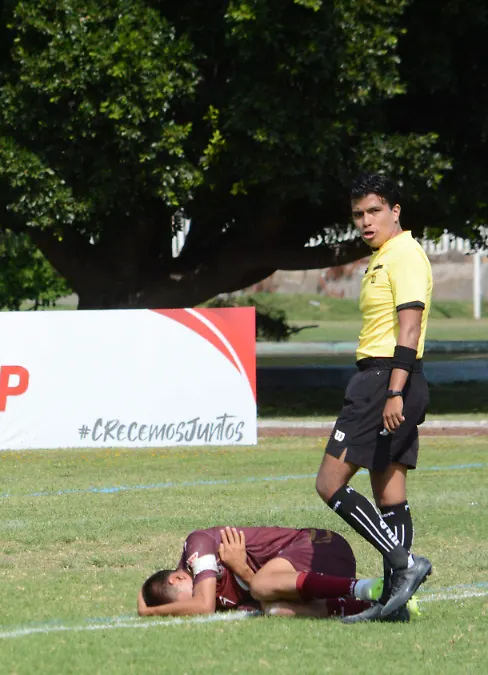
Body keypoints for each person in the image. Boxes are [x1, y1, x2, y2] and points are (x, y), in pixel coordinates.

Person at [313, 173, 433, 622]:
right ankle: (394, 606)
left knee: (329, 483)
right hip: (388, 378)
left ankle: (404, 564)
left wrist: (394, 391)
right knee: (390, 493)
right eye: (358, 214)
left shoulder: (404, 255)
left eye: (374, 211)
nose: (365, 221)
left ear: (395, 211)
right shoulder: (383, 256)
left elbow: (410, 329)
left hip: (386, 379)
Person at [138, 526, 417, 621]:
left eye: (187, 599)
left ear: (177, 578)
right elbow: (265, 593)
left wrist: (148, 612)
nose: (197, 598)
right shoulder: (223, 599)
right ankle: (379, 606)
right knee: (275, 609)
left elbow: (203, 605)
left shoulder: (197, 545)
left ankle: (371, 586)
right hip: (316, 578)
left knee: (261, 586)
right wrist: (244, 571)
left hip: (321, 545)